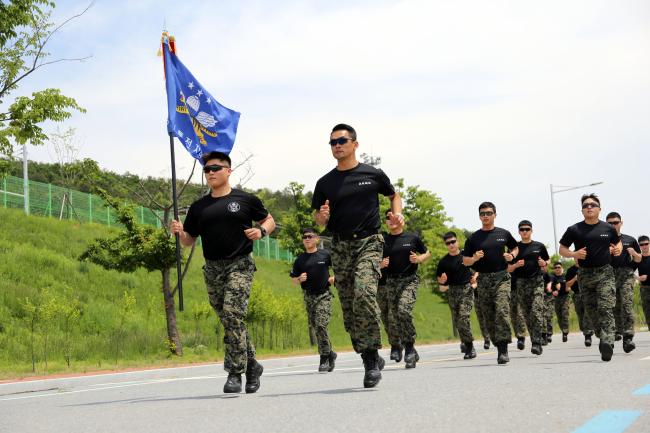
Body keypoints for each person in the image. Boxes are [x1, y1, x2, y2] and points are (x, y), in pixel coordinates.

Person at [170, 151, 276, 394]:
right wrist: (179, 232)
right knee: (230, 320)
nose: (210, 173)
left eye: (216, 168)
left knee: (231, 313)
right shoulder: (198, 207)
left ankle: (235, 372)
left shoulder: (246, 199)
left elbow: (269, 220)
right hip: (213, 268)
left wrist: (261, 232)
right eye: (207, 170)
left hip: (240, 264)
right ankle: (252, 366)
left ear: (228, 171)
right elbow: (189, 240)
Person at [312, 123, 402, 388]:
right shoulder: (325, 182)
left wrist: (398, 213)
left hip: (369, 242)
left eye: (342, 140)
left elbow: (393, 195)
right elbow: (318, 220)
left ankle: (371, 360)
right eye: (332, 142)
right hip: (339, 247)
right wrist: (321, 218)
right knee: (350, 310)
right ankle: (365, 349)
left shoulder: (372, 174)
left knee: (364, 294)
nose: (337, 145)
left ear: (355, 144)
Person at [559, 193, 622, 362]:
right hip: (585, 275)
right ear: (582, 210)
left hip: (605, 273)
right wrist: (574, 253)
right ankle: (603, 337)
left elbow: (618, 242)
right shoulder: (574, 229)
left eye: (593, 204)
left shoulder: (608, 228)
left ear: (599, 209)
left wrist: (618, 250)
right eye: (586, 205)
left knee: (605, 307)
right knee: (592, 310)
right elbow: (562, 249)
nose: (589, 207)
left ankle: (608, 340)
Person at [463, 201, 519, 364]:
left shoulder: (503, 233)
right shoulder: (474, 238)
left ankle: (503, 349)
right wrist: (474, 258)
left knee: (502, 311)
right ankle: (497, 341)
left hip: (501, 277)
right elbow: (465, 261)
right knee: (489, 316)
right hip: (484, 279)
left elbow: (515, 248)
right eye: (482, 214)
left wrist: (512, 256)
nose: (485, 216)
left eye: (488, 213)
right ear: (479, 216)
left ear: (495, 214)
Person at [381, 210, 431, 368]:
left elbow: (427, 253)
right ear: (386, 223)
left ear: (401, 220)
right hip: (390, 282)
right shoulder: (382, 241)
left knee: (403, 311)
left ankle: (409, 347)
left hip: (409, 280)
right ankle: (399, 346)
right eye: (389, 218)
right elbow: (373, 261)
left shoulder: (412, 237)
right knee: (393, 318)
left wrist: (419, 259)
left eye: (395, 216)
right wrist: (380, 264)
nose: (392, 220)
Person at [290, 228, 337, 372]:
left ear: (316, 239)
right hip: (309, 296)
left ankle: (324, 357)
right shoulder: (300, 259)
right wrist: (299, 279)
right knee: (316, 327)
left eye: (310, 236)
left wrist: (334, 278)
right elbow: (293, 280)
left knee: (321, 324)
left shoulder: (325, 254)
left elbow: (340, 267)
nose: (307, 239)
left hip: (324, 295)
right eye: (304, 237)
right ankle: (330, 353)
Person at [506, 220, 549, 355]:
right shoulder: (514, 248)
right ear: (519, 232)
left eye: (527, 229)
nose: (525, 231)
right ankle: (535, 339)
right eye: (522, 229)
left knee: (536, 312)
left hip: (536, 282)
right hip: (521, 283)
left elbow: (547, 261)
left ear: (531, 231)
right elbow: (507, 269)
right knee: (527, 314)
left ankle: (536, 343)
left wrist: (544, 263)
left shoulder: (539, 246)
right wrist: (515, 266)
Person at [437, 231, 477, 360]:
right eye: (448, 243)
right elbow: (440, 283)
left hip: (466, 290)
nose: (451, 245)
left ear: (457, 242)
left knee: (463, 317)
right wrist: (442, 280)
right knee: (458, 320)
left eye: (453, 242)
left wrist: (475, 279)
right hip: (452, 292)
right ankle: (465, 341)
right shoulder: (443, 262)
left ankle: (470, 347)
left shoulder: (466, 256)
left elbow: (479, 269)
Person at [605, 212, 641, 353]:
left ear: (621, 223)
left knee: (626, 304)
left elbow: (639, 260)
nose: (613, 225)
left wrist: (634, 254)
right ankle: (614, 333)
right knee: (612, 306)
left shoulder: (630, 240)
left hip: (625, 275)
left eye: (616, 222)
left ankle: (628, 337)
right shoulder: (602, 240)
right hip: (608, 275)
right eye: (610, 223)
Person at [377, 261, 403, 362]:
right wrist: (379, 265)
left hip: (394, 284)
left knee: (392, 318)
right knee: (385, 319)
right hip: (379, 287)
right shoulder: (373, 247)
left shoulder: (392, 245)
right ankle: (396, 344)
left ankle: (395, 346)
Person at [566, 264, 594, 347]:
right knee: (580, 314)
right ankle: (585, 330)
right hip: (577, 294)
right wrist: (575, 279)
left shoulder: (588, 266)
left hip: (588, 293)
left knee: (587, 313)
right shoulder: (571, 270)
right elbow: (567, 285)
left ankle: (588, 335)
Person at [550, 262, 570, 342]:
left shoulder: (565, 276)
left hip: (565, 297)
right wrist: (553, 291)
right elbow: (548, 287)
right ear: (554, 269)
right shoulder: (552, 277)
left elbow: (570, 286)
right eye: (555, 268)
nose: (557, 269)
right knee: (559, 316)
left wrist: (568, 288)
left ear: (562, 268)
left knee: (565, 314)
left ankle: (565, 332)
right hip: (556, 299)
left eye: (559, 267)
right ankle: (563, 330)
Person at [636, 236, 650, 331]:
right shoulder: (638, 259)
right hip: (644, 289)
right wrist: (636, 277)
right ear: (639, 246)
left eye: (646, 244)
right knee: (648, 313)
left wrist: (647, 277)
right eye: (642, 244)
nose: (644, 246)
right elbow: (628, 271)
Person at [541, 271, 553, 345]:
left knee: (546, 316)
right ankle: (543, 335)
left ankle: (546, 334)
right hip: (535, 296)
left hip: (546, 297)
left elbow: (550, 281)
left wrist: (549, 286)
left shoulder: (545, 273)